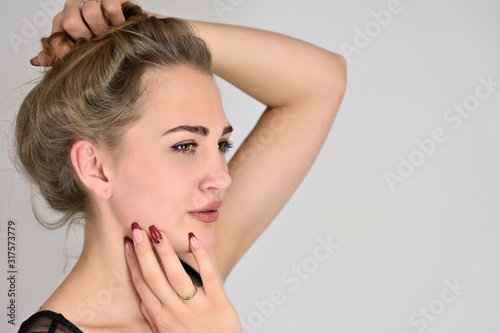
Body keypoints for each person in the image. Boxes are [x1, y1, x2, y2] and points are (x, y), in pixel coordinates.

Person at [16, 0, 346, 332]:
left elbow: (323, 80)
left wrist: (142, 27)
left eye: (221, 145)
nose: (222, 178)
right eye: (185, 145)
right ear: (95, 167)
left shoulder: (192, 285)